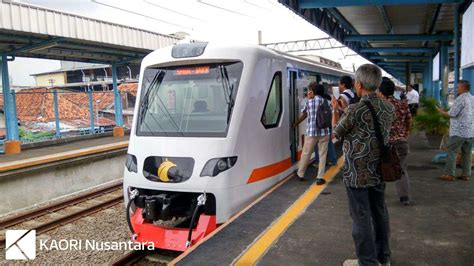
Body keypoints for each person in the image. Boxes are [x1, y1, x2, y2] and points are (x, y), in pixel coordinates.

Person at [333, 64, 395, 266]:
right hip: (379, 170)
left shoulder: (354, 109)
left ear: (358, 84)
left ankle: (367, 262)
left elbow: (337, 133)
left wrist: (336, 110)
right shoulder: (389, 107)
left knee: (361, 217)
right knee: (379, 212)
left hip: (357, 173)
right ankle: (383, 257)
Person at [378, 79, 413, 206]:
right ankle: (404, 198)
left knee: (380, 170)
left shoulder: (380, 106)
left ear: (381, 92)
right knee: (402, 170)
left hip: (384, 144)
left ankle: (379, 197)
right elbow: (409, 121)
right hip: (401, 142)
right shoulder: (403, 104)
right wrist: (405, 134)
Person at [293, 83, 331, 185]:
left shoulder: (309, 102)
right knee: (322, 155)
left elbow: (304, 114)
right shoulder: (326, 102)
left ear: (312, 92)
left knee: (306, 153)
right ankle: (320, 177)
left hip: (311, 132)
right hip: (324, 131)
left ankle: (300, 174)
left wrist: (296, 123)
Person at [436, 80, 474, 181]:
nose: (456, 89)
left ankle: (449, 174)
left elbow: (451, 114)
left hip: (459, 131)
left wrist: (440, 111)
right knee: (467, 153)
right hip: (470, 131)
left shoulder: (460, 99)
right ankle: (466, 174)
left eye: (458, 87)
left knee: (451, 151)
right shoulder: (472, 98)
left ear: (463, 88)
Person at [314, 92, 337, 167]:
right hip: (328, 125)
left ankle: (319, 161)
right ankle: (333, 160)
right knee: (329, 144)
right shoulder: (329, 102)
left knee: (318, 144)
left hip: (320, 125)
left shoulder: (316, 102)